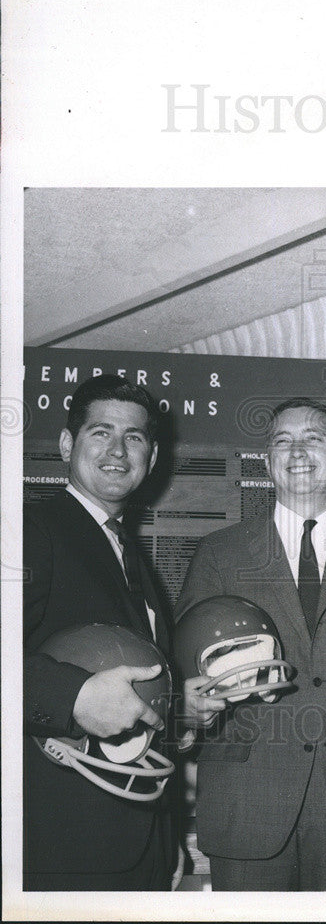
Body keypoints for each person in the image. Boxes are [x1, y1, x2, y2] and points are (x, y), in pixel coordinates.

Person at [175, 398, 326, 891]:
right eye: (282, 441)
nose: (298, 450)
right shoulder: (220, 554)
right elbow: (187, 677)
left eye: (313, 438)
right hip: (248, 804)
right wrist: (190, 707)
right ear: (267, 463)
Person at [23, 374, 176, 891]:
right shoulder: (28, 530)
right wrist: (73, 695)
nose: (117, 449)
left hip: (138, 840)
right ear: (67, 444)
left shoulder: (129, 553)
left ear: (151, 458)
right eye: (100, 432)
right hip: (60, 849)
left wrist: (178, 701)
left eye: (133, 437)